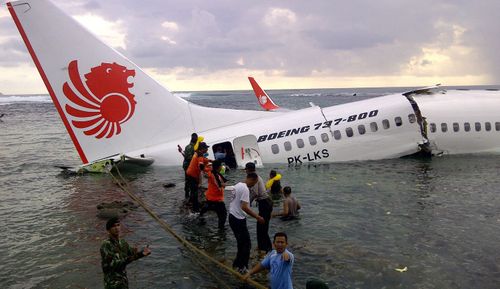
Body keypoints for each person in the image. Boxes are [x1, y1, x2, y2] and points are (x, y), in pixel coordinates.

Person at [228, 172, 265, 273]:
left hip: (232, 216)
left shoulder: (237, 185)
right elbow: (244, 206)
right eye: (254, 183)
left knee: (241, 243)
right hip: (238, 219)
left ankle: (237, 264)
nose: (254, 185)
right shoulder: (245, 189)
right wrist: (257, 217)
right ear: (251, 179)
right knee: (247, 244)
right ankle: (243, 267)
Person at [100, 217, 151, 289]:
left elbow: (132, 254)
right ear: (108, 230)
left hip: (123, 282)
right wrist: (132, 257)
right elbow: (114, 264)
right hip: (112, 284)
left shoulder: (123, 242)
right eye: (114, 226)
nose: (117, 228)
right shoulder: (106, 245)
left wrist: (142, 253)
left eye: (118, 225)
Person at [245, 162, 273, 254]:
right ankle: (262, 246)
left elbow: (255, 193)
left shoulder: (255, 178)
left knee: (262, 227)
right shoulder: (256, 176)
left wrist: (247, 203)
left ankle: (267, 248)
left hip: (265, 203)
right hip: (265, 203)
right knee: (261, 226)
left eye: (246, 169)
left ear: (248, 170)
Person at [199, 160, 228, 229]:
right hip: (217, 199)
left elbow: (203, 168)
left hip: (209, 196)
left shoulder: (210, 172)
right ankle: (221, 230)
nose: (222, 166)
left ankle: (200, 215)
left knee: (208, 206)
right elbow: (219, 185)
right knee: (223, 215)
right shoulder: (215, 175)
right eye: (221, 165)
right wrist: (225, 185)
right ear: (219, 167)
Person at [186, 141, 210, 212]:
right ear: (202, 148)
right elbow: (201, 167)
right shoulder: (199, 155)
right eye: (206, 148)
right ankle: (195, 209)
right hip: (192, 175)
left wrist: (210, 160)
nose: (207, 149)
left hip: (190, 174)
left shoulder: (197, 153)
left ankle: (189, 203)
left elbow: (203, 160)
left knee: (193, 190)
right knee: (195, 192)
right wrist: (209, 170)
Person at [182, 133, 198, 199]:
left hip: (187, 165)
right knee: (190, 180)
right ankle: (189, 194)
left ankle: (187, 194)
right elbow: (189, 158)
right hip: (189, 166)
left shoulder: (187, 146)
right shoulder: (192, 147)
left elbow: (186, 156)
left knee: (188, 180)